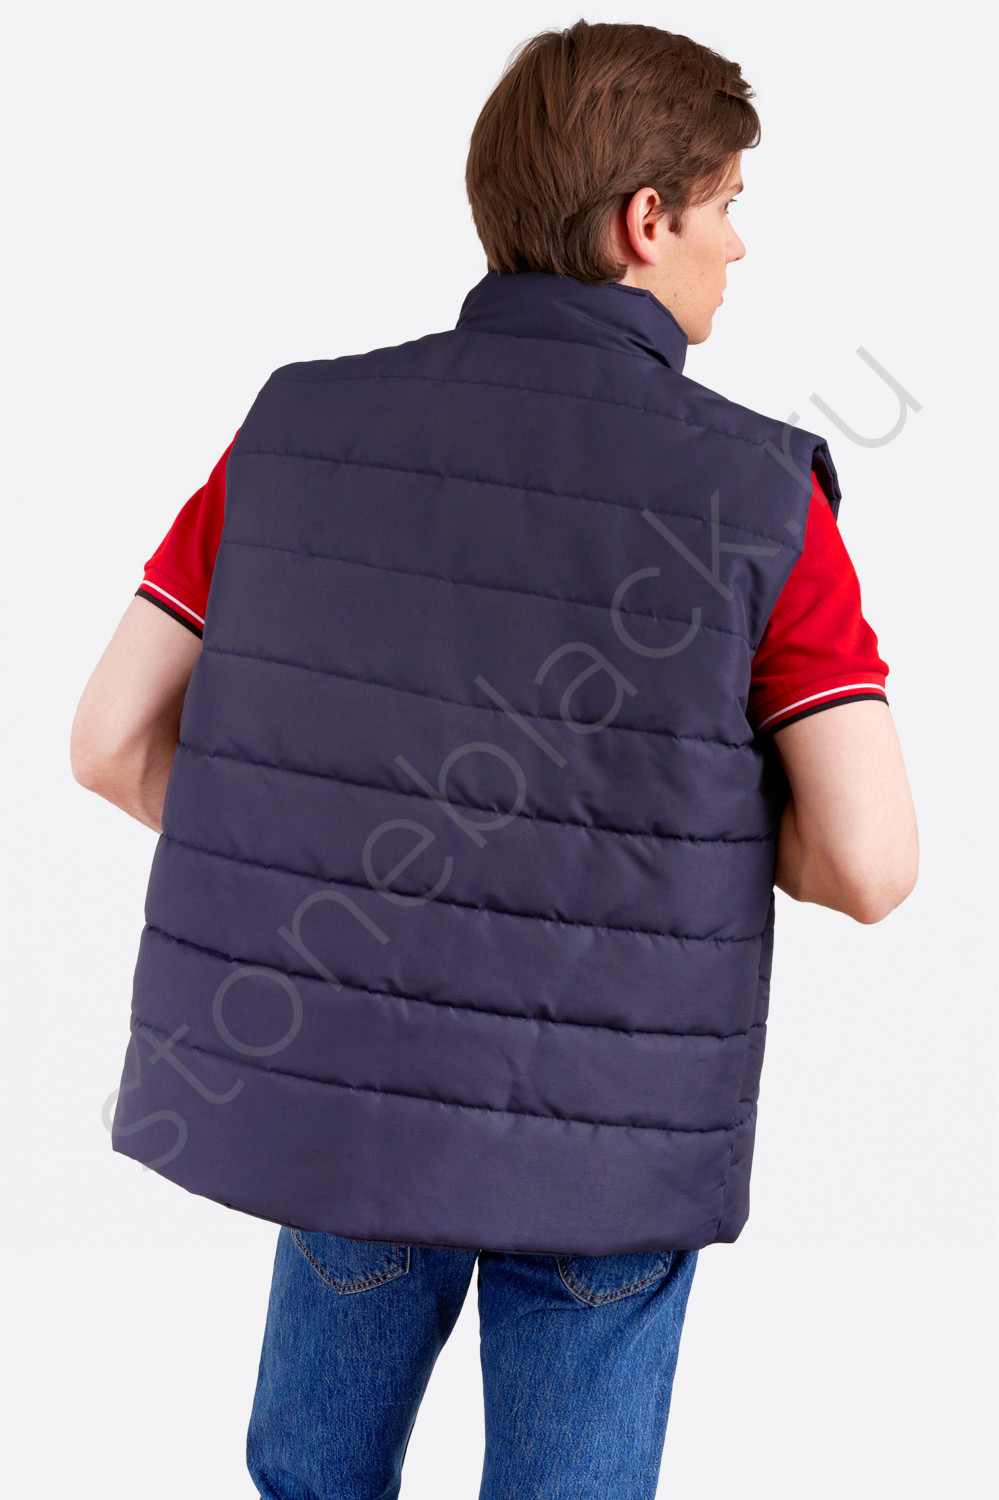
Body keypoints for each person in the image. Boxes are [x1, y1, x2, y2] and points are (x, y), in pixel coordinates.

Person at [69, 19, 918, 1500]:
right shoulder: (760, 489)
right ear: (645, 220)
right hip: (606, 1136)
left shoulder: (295, 425)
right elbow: (871, 862)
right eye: (727, 205)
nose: (738, 246)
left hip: (345, 1085)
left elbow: (107, 742)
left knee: (311, 1478)